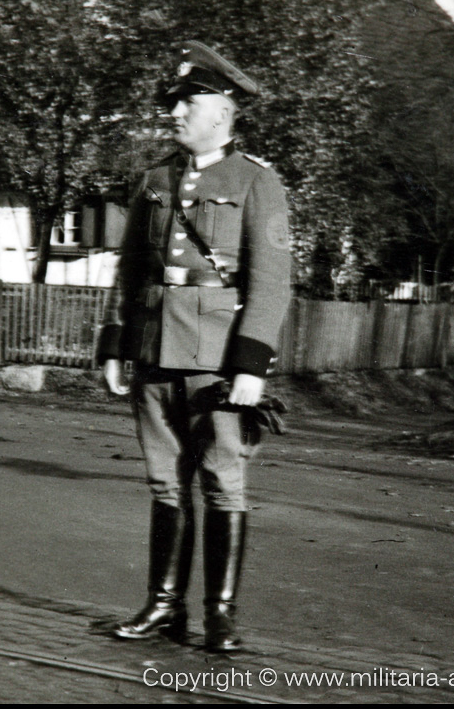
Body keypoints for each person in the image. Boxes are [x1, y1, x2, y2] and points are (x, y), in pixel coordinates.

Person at [97, 41, 292, 652]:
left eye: (188, 102)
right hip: (155, 349)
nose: (175, 113)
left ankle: (221, 614)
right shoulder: (155, 180)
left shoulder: (257, 181)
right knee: (164, 482)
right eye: (175, 103)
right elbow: (129, 270)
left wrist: (251, 365)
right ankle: (164, 607)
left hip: (217, 360)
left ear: (223, 113)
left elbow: (271, 281)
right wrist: (114, 346)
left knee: (222, 481)